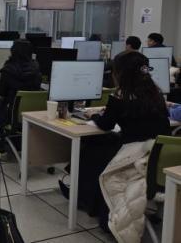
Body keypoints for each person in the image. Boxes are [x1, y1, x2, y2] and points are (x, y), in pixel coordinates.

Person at [60, 51, 170, 229]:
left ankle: (84, 198)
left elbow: (106, 124)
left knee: (91, 149)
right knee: (100, 146)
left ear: (121, 73)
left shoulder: (120, 96)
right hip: (156, 155)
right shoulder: (155, 93)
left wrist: (94, 115)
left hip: (134, 154)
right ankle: (84, 195)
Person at [0, 40, 42, 138]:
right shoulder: (36, 69)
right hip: (34, 115)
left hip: (12, 115)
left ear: (13, 51)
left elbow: (1, 92)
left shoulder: (8, 69)